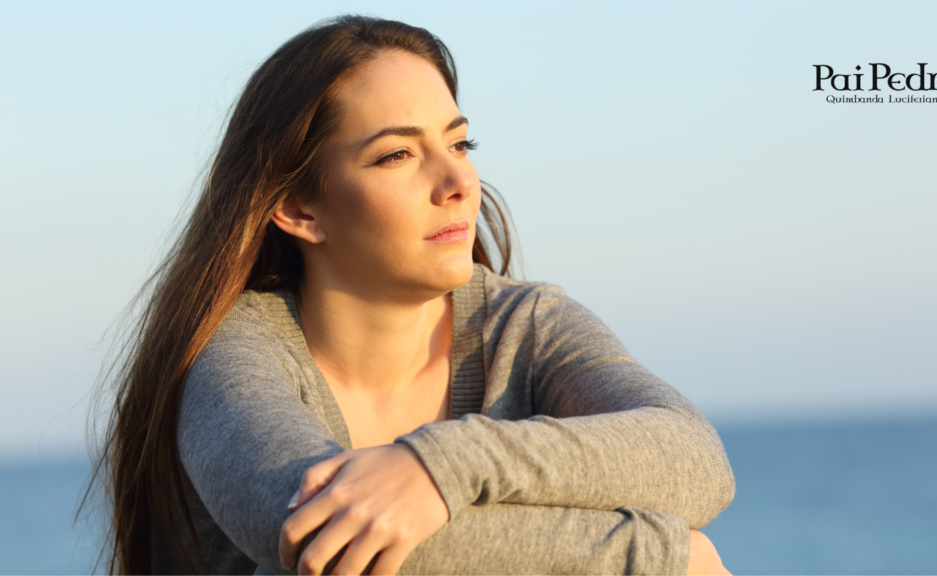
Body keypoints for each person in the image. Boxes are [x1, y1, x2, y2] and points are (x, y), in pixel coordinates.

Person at [87, 15, 735, 575]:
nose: (458, 181)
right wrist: (659, 555)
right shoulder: (230, 355)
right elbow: (321, 540)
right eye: (397, 155)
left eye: (459, 143)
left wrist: (442, 465)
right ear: (298, 208)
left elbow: (696, 462)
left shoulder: (526, 325)